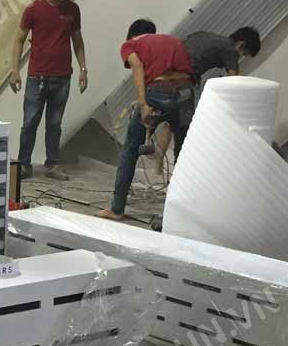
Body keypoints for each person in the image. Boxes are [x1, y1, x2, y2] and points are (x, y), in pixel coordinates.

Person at [98, 22, 261, 222]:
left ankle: (117, 209)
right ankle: (176, 216)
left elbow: (139, 67)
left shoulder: (130, 45)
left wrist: (143, 103)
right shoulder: (170, 40)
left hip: (158, 92)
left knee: (131, 150)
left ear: (132, 36)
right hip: (185, 93)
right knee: (183, 155)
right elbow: (229, 81)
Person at [10, 0, 88, 181]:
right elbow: (18, 41)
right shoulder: (33, 9)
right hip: (37, 77)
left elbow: (78, 42)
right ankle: (24, 164)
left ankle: (52, 165)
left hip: (62, 77)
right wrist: (15, 71)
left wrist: (83, 69)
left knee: (54, 124)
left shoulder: (73, 10)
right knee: (30, 123)